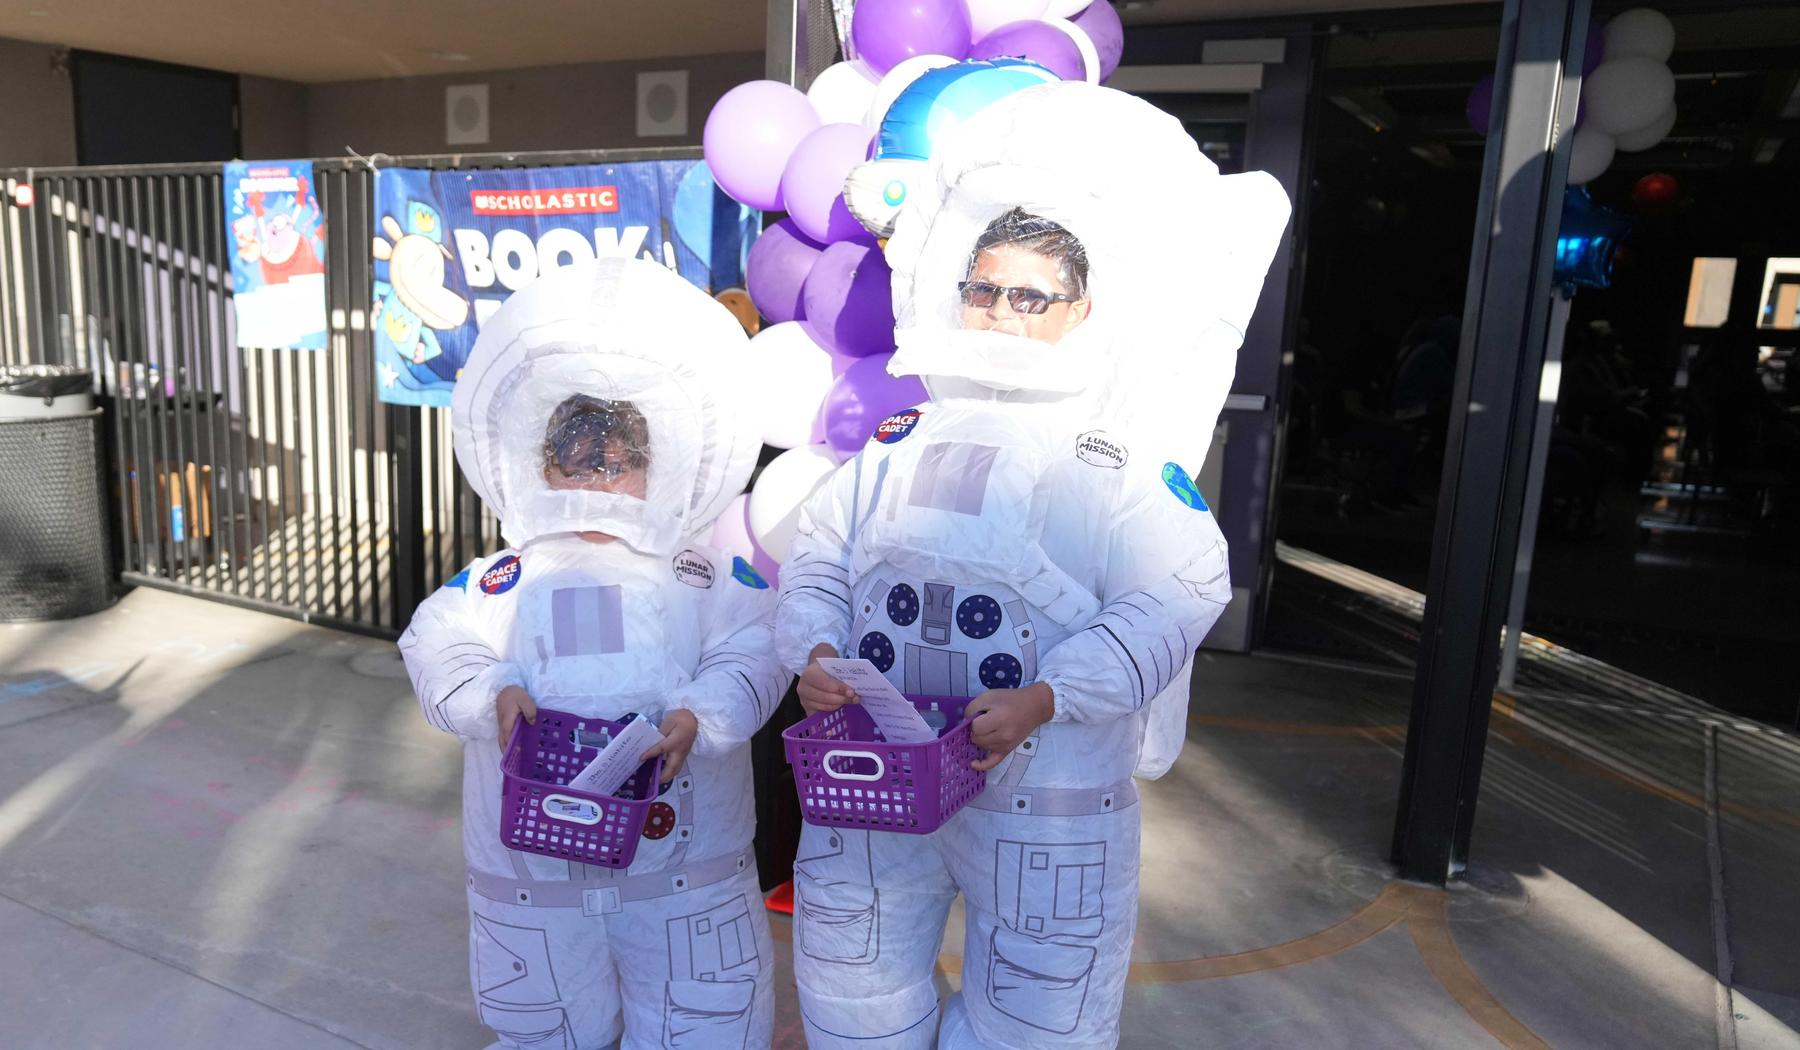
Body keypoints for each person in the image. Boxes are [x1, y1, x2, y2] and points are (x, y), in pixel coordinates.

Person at [776, 81, 1291, 1049]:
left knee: (1039, 1017)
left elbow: (1180, 590)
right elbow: (819, 558)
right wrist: (810, 650)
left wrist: (1048, 698)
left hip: (1045, 795)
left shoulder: (1113, 462)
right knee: (855, 987)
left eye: (1029, 297)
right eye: (984, 290)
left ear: (1081, 309)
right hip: (879, 776)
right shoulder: (896, 443)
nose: (999, 316)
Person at [398, 257, 787, 1050]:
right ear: (540, 466)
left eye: (619, 465)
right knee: (544, 1030)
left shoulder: (703, 573)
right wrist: (491, 693)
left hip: (684, 872)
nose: (599, 484)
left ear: (655, 470)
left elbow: (756, 645)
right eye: (577, 463)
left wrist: (700, 715)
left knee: (702, 1027)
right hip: (536, 886)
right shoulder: (503, 581)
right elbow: (438, 639)